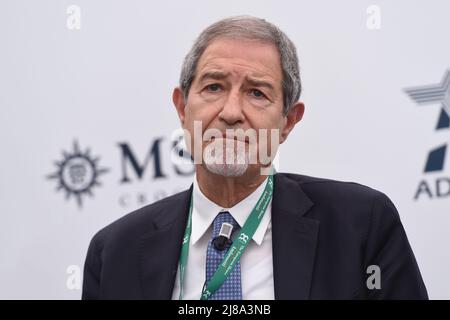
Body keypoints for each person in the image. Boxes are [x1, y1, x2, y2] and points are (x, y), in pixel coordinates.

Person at [82, 16, 428, 300]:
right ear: (182, 107)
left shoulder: (360, 226)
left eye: (257, 92)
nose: (231, 112)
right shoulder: (114, 253)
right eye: (214, 87)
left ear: (288, 121)